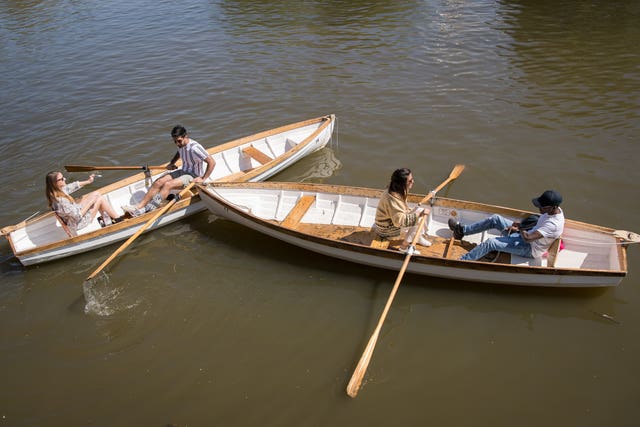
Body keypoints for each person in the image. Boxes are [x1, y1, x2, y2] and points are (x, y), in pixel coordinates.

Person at [123, 124, 216, 216]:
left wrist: (203, 178)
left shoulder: (195, 148)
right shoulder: (180, 144)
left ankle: (147, 210)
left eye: (179, 141)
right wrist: (172, 163)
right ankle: (139, 206)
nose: (177, 144)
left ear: (185, 136)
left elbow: (212, 162)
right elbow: (179, 152)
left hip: (193, 176)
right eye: (175, 142)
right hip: (183, 171)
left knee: (168, 185)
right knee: (159, 182)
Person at [448, 190, 565, 261]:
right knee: (495, 219)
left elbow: (528, 238)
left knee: (491, 243)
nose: (539, 208)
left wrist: (519, 228)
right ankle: (462, 231)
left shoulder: (553, 224)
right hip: (526, 234)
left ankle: (462, 261)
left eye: (542, 207)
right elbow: (537, 224)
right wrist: (518, 226)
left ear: (553, 207)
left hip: (530, 248)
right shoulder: (553, 210)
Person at [374, 168, 431, 254]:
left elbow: (401, 210)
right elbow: (399, 222)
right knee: (419, 218)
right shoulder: (393, 198)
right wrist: (418, 215)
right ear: (402, 183)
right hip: (386, 229)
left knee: (420, 211)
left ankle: (417, 236)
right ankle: (404, 247)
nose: (413, 182)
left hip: (391, 220)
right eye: (410, 181)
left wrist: (417, 212)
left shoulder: (397, 188)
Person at [45, 171, 124, 233]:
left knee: (96, 194)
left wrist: (88, 181)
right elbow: (77, 216)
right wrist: (91, 202)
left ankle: (108, 220)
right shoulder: (61, 201)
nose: (64, 179)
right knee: (99, 199)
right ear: (55, 183)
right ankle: (119, 221)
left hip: (74, 214)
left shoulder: (54, 192)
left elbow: (70, 187)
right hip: (79, 223)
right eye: (62, 179)